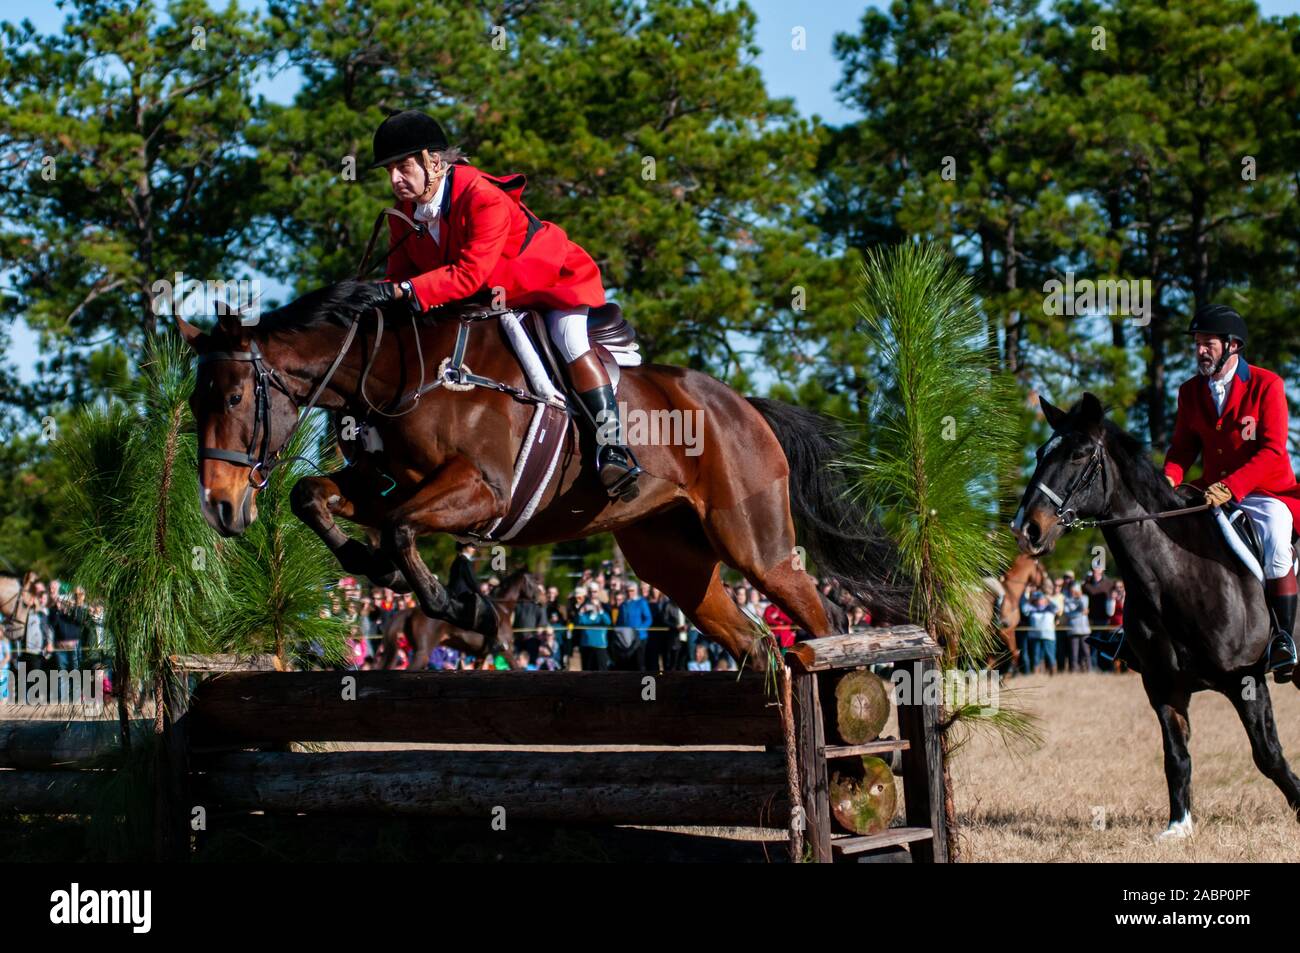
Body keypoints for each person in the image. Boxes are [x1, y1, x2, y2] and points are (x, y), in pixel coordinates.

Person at [370, 109, 641, 500]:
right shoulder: (406, 213)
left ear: (433, 160)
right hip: (485, 298)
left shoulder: (482, 196)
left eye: (402, 166)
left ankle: (613, 447)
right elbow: (399, 276)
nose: (394, 179)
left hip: (551, 283)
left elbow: (467, 275)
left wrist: (402, 292)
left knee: (569, 341)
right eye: (388, 170)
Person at [1162, 304, 1300, 681]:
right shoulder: (1190, 392)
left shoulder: (1266, 384)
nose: (1200, 351)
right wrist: (1169, 479)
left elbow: (1273, 450)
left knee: (1275, 542)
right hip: (1212, 492)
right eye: (1197, 345)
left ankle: (1285, 640)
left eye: (1208, 344)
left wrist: (1232, 486)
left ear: (1232, 346)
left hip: (1266, 491)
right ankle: (1136, 634)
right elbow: (1181, 448)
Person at [1019, 589, 1057, 675]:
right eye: (1037, 600)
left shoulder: (1050, 608)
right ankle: (1037, 674)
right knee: (1036, 656)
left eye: (1041, 599)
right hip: (1035, 636)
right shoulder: (1032, 609)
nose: (1039, 601)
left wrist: (1048, 597)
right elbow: (1024, 608)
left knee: (1050, 655)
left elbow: (1057, 606)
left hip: (1048, 636)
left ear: (1045, 600)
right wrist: (1030, 598)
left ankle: (1053, 673)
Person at [575, 598, 611, 671]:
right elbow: (579, 623)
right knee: (587, 670)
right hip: (586, 645)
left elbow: (608, 622)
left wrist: (600, 609)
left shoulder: (602, 615)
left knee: (602, 670)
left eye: (594, 604)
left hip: (600, 646)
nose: (592, 606)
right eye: (591, 604)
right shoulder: (585, 615)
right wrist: (581, 611)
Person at [1062, 583, 1091, 673]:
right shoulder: (1067, 600)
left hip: (1084, 630)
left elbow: (1084, 607)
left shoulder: (1085, 598)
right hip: (1073, 630)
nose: (1073, 593)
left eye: (1075, 591)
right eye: (1072, 591)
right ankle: (1074, 670)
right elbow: (1068, 614)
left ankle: (1089, 669)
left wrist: (1080, 597)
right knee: (1074, 652)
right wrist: (1081, 613)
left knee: (1086, 651)